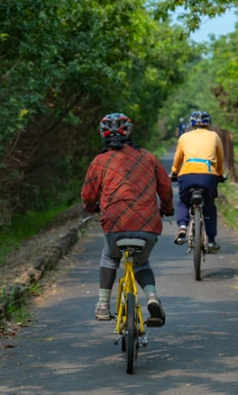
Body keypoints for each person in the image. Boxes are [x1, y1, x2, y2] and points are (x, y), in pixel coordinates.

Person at [82, 112, 174, 326]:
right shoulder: (149, 157)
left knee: (109, 257)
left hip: (114, 226)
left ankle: (103, 306)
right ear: (129, 132)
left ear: (103, 135)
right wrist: (167, 209)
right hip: (147, 226)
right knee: (141, 262)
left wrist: (91, 208)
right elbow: (165, 188)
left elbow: (88, 195)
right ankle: (152, 297)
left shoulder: (99, 162)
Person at [170, 110, 225, 253]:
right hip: (208, 175)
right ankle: (212, 241)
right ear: (208, 124)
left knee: (183, 201)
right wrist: (219, 174)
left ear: (192, 124)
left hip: (187, 174)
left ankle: (182, 226)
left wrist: (174, 172)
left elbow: (178, 159)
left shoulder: (184, 137)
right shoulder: (214, 136)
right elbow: (220, 159)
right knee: (210, 207)